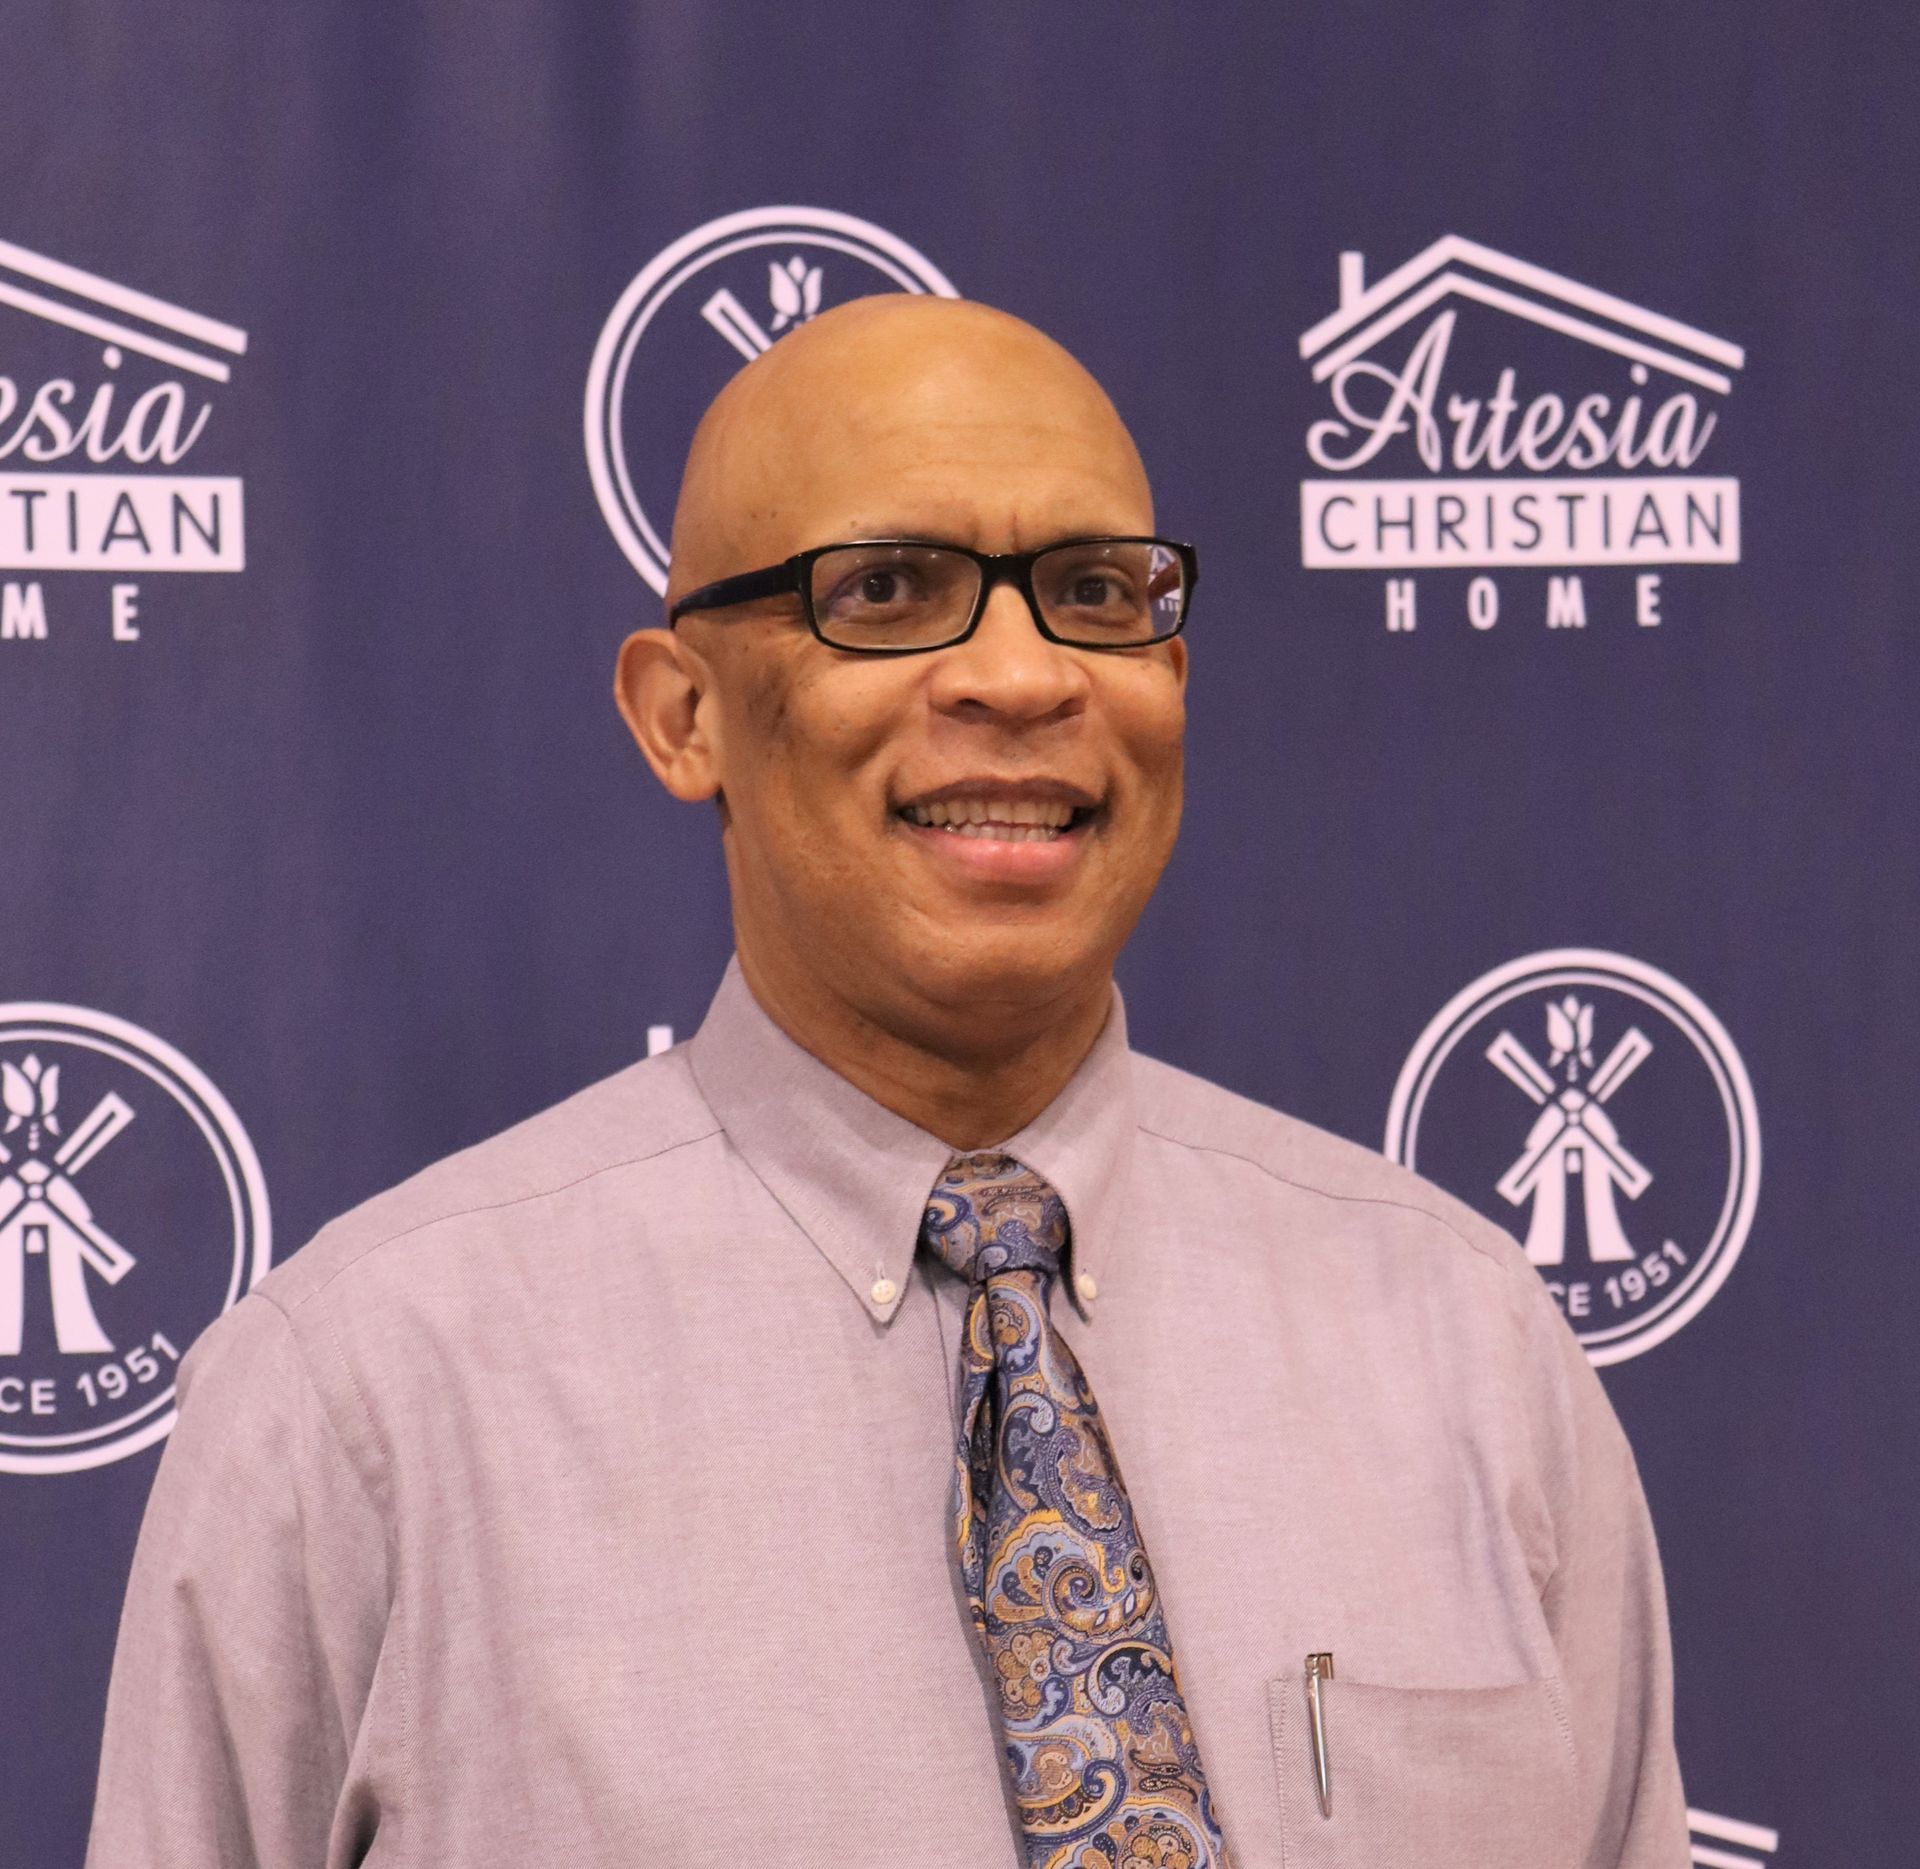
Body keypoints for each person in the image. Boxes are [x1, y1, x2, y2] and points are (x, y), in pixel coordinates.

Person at [86, 295, 1688, 1869]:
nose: (1020, 673)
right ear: (682, 712)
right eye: (890, 588)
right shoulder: (357, 1402)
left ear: (1172, 677)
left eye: (1093, 590)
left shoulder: (1470, 1343)